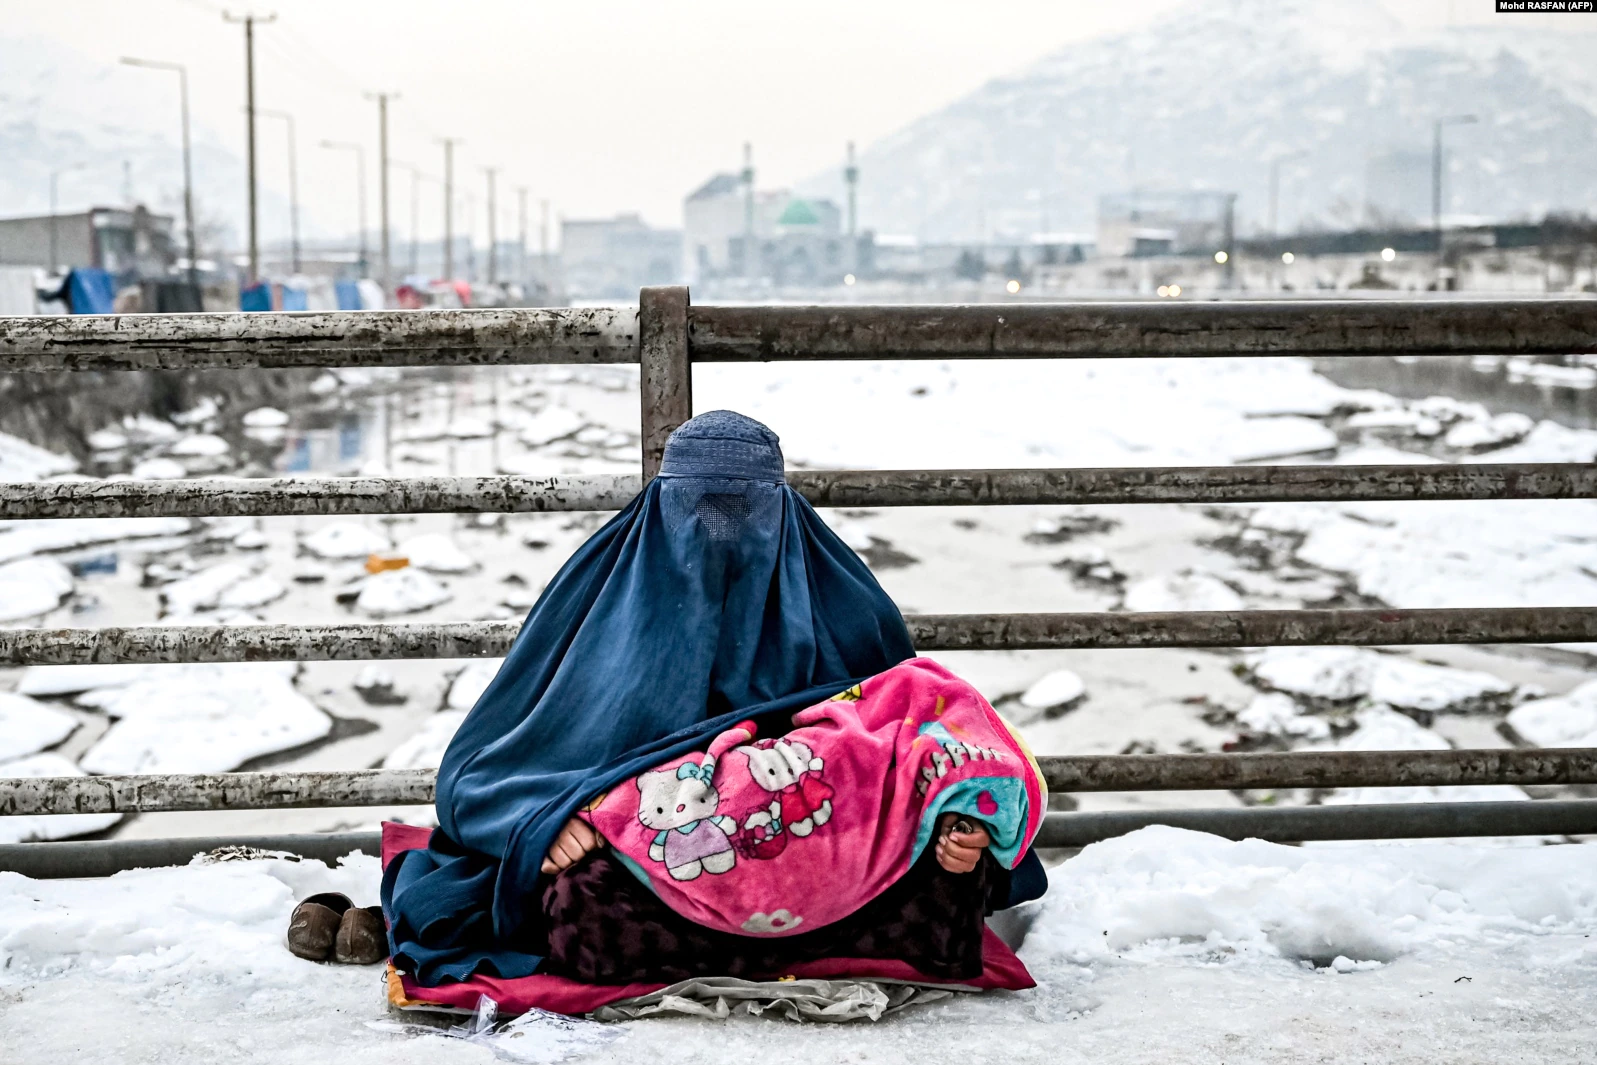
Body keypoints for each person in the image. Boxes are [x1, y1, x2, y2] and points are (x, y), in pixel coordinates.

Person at [374, 410, 1044, 986]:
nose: (723, 531)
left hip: (828, 848)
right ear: (664, 502)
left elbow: (920, 732)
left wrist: (960, 821)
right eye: (700, 509)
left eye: (744, 510)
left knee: (945, 874)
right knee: (579, 888)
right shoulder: (600, 592)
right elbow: (480, 766)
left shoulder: (842, 600)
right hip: (650, 855)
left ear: (780, 505)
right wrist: (540, 821)